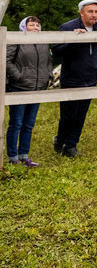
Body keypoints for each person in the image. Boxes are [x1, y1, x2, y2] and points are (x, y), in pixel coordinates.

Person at [51, 0, 97, 157]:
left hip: (90, 78)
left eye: (96, 12)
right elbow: (56, 51)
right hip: (71, 78)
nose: (94, 15)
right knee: (68, 114)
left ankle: (71, 145)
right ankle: (60, 140)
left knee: (81, 114)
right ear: (81, 12)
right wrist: (74, 41)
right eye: (90, 12)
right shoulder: (68, 27)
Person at [5, 16, 52, 166]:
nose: (36, 27)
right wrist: (19, 77)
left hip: (37, 88)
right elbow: (6, 60)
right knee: (16, 123)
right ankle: (13, 157)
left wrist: (48, 75)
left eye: (38, 24)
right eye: (32, 24)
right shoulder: (17, 40)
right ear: (24, 27)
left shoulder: (43, 42)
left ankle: (24, 155)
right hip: (20, 87)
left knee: (29, 124)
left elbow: (49, 61)